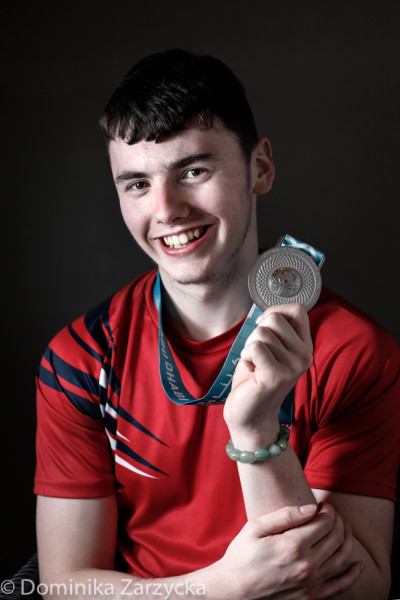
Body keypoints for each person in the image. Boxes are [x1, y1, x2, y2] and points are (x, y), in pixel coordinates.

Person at [34, 49, 400, 599]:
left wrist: (257, 432)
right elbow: (62, 585)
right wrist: (218, 589)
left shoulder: (354, 351)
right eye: (136, 184)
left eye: (194, 171)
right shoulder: (82, 358)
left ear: (260, 167)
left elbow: (356, 590)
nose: (167, 210)